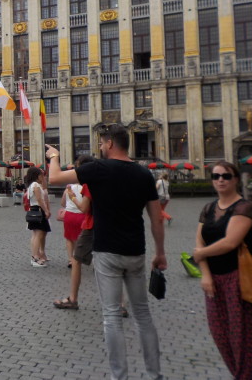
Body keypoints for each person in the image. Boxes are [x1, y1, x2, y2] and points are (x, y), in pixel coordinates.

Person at [47, 124, 166, 380]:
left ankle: (119, 376)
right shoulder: (144, 174)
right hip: (136, 252)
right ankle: (155, 374)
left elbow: (54, 179)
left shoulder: (98, 169)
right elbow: (156, 219)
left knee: (111, 317)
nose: (100, 147)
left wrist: (54, 157)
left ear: (111, 143)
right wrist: (161, 252)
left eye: (101, 143)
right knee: (143, 315)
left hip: (107, 251)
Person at [193, 161, 252, 380]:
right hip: (213, 280)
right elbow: (199, 242)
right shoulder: (208, 208)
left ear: (236, 179)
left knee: (241, 336)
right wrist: (205, 273)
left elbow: (230, 242)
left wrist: (201, 254)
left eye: (226, 176)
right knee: (220, 334)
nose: (220, 180)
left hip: (239, 278)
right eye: (215, 176)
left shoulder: (244, 208)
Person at [54, 155, 95, 310]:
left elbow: (84, 207)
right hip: (107, 224)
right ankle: (122, 304)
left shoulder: (88, 184)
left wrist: (54, 157)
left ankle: (73, 298)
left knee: (77, 257)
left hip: (91, 223)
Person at [59, 157, 91, 268]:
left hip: (69, 215)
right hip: (82, 215)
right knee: (79, 238)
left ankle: (70, 259)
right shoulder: (86, 188)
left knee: (69, 238)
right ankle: (78, 259)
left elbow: (63, 203)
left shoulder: (68, 189)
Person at [26, 167, 51, 267]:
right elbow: (40, 199)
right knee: (38, 234)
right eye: (41, 175)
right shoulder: (36, 185)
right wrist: (46, 210)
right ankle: (35, 257)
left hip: (33, 210)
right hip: (38, 210)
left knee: (36, 234)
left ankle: (36, 255)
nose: (43, 177)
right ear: (37, 176)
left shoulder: (31, 185)